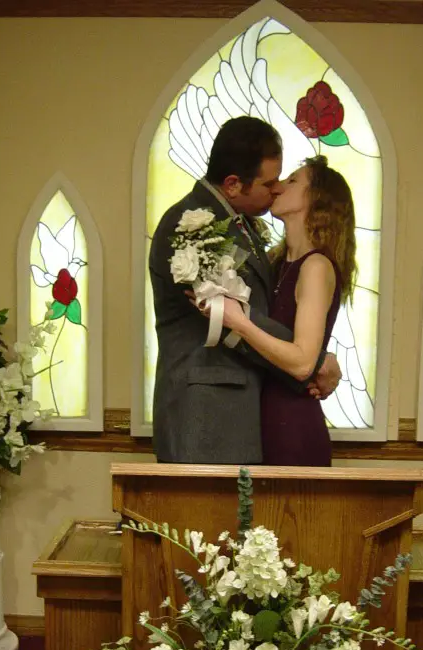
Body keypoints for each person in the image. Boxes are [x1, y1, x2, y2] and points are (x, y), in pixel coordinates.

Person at [149, 116, 342, 464]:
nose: (278, 188)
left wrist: (309, 355)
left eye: (286, 180)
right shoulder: (189, 227)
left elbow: (254, 315)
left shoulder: (245, 230)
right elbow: (228, 316)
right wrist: (311, 360)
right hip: (206, 413)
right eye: (269, 183)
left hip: (247, 411)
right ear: (234, 184)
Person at [198, 155, 356, 466]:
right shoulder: (275, 263)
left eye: (293, 180)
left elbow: (301, 364)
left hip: (292, 425)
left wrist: (239, 323)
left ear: (316, 199)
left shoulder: (315, 266)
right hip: (261, 420)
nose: (279, 186)